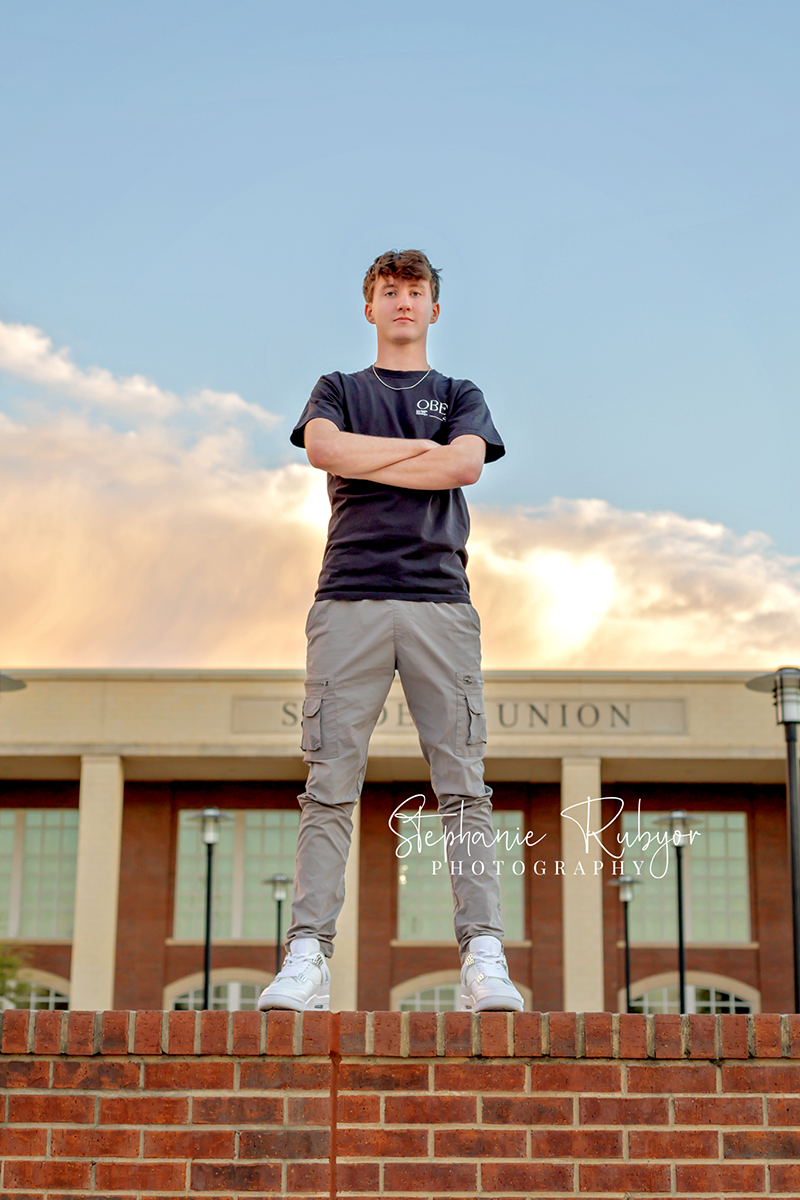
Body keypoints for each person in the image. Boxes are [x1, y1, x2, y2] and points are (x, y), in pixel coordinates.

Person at [258, 249, 523, 1014]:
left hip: (441, 603)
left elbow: (465, 468)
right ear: (369, 306)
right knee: (328, 786)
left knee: (463, 788)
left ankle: (482, 956)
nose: (403, 302)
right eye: (389, 291)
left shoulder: (459, 392)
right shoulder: (338, 388)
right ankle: (307, 957)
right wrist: (422, 455)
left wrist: (389, 459)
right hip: (348, 603)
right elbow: (324, 449)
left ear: (434, 309)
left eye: (416, 291)